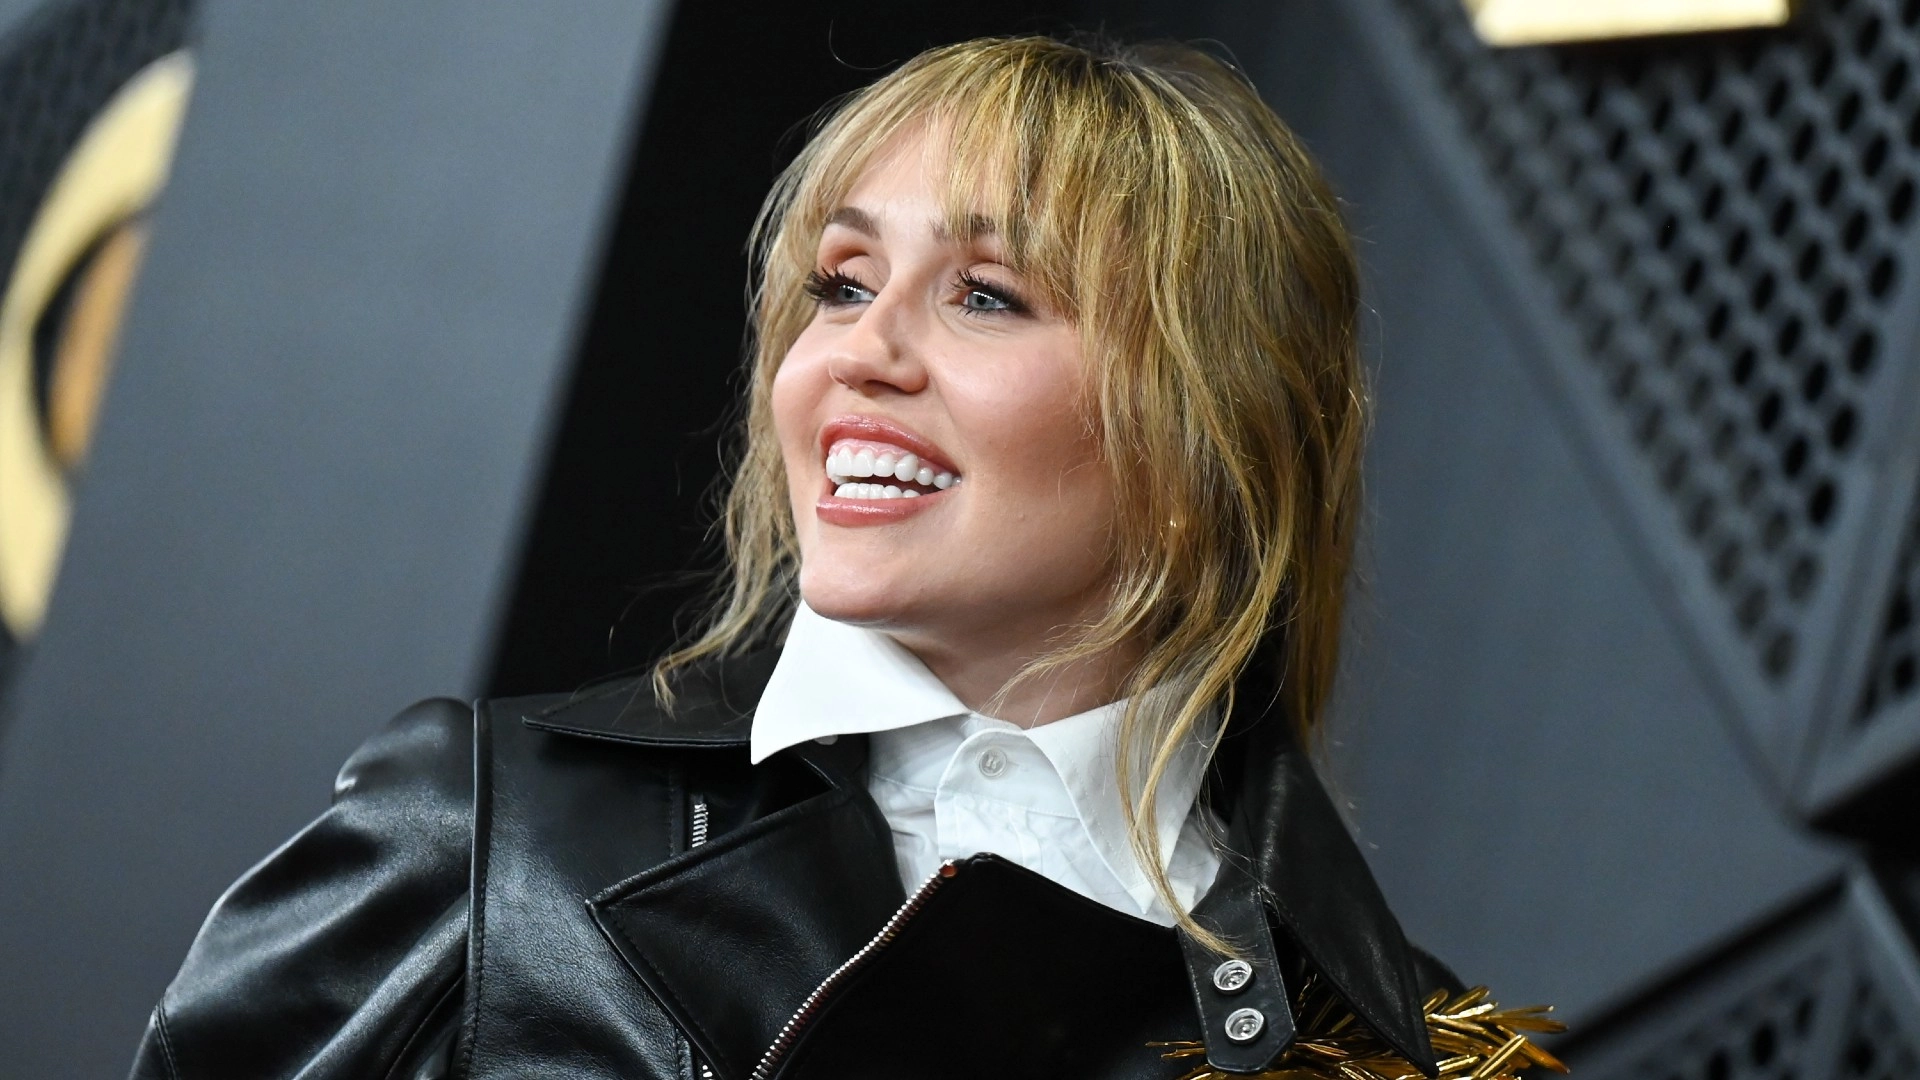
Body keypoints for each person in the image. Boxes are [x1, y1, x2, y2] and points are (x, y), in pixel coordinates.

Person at [130, 35, 1562, 1080]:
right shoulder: (488, 832)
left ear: (1208, 439)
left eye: (985, 296)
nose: (861, 352)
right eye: (842, 281)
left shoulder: (1397, 1046)